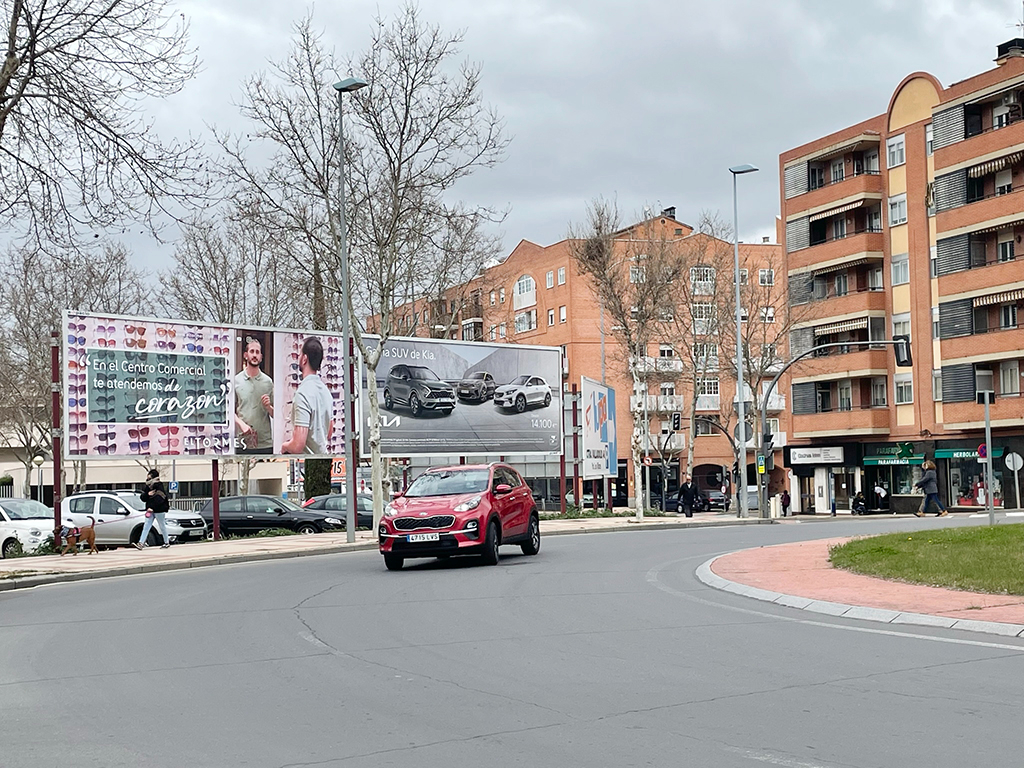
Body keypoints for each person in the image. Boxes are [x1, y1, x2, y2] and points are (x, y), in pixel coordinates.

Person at [281, 336, 333, 454]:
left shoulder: (302, 394)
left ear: (304, 359)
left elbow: (298, 445)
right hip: (323, 460)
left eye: (299, 354)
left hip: (305, 464)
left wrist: (285, 446)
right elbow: (329, 432)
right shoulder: (326, 392)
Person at [234, 336, 274, 454]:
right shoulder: (236, 381)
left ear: (261, 357)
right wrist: (241, 425)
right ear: (246, 355)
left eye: (257, 352)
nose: (255, 355)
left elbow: (278, 416)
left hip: (264, 444)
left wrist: (268, 407)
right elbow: (228, 411)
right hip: (242, 443)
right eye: (252, 351)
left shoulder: (268, 382)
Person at [135, 469, 170, 549]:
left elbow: (160, 499)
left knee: (162, 526)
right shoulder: (148, 487)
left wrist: (152, 507)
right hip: (150, 510)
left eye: (149, 478)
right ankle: (141, 543)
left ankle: (166, 542)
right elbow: (143, 497)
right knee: (146, 526)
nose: (147, 480)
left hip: (159, 510)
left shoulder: (159, 486)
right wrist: (147, 494)